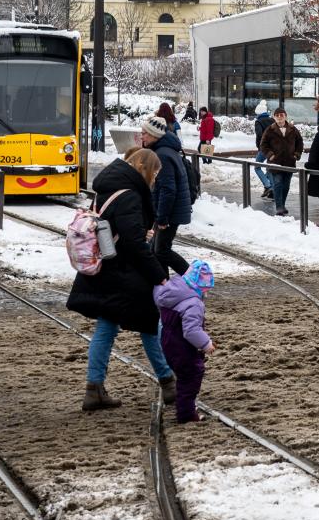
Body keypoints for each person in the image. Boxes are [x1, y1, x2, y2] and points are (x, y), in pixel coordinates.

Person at [67, 147, 177, 411]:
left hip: (108, 270)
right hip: (125, 273)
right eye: (155, 174)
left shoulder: (109, 186)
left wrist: (139, 234)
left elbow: (119, 229)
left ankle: (94, 389)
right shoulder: (130, 196)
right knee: (150, 324)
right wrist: (160, 276)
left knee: (107, 326)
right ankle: (168, 382)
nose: (154, 180)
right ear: (145, 169)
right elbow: (133, 244)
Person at [154, 259, 215, 424]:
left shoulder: (168, 293)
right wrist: (206, 344)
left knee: (183, 376)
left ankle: (185, 409)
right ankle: (187, 414)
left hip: (168, 343)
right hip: (183, 347)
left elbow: (157, 290)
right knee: (191, 376)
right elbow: (191, 331)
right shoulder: (194, 304)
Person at [140, 116, 192, 276]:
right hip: (168, 211)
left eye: (145, 133)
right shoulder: (165, 150)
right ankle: (164, 287)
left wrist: (162, 218)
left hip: (170, 213)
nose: (142, 137)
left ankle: (194, 278)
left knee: (161, 250)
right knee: (156, 251)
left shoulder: (162, 154)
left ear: (154, 135)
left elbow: (168, 189)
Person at [257, 107, 303, 215]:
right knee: (277, 184)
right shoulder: (270, 129)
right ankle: (279, 207)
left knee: (286, 186)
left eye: (281, 115)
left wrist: (297, 154)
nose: (279, 117)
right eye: (277, 115)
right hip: (275, 163)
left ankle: (282, 204)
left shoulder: (293, 129)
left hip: (289, 162)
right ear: (274, 117)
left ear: (285, 116)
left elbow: (299, 143)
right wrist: (270, 155)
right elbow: (263, 145)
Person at [252, 101, 276, 199]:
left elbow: (259, 135)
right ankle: (272, 191)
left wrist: (259, 146)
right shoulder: (272, 121)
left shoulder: (258, 122)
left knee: (257, 167)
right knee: (269, 168)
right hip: (274, 148)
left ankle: (268, 185)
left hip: (264, 148)